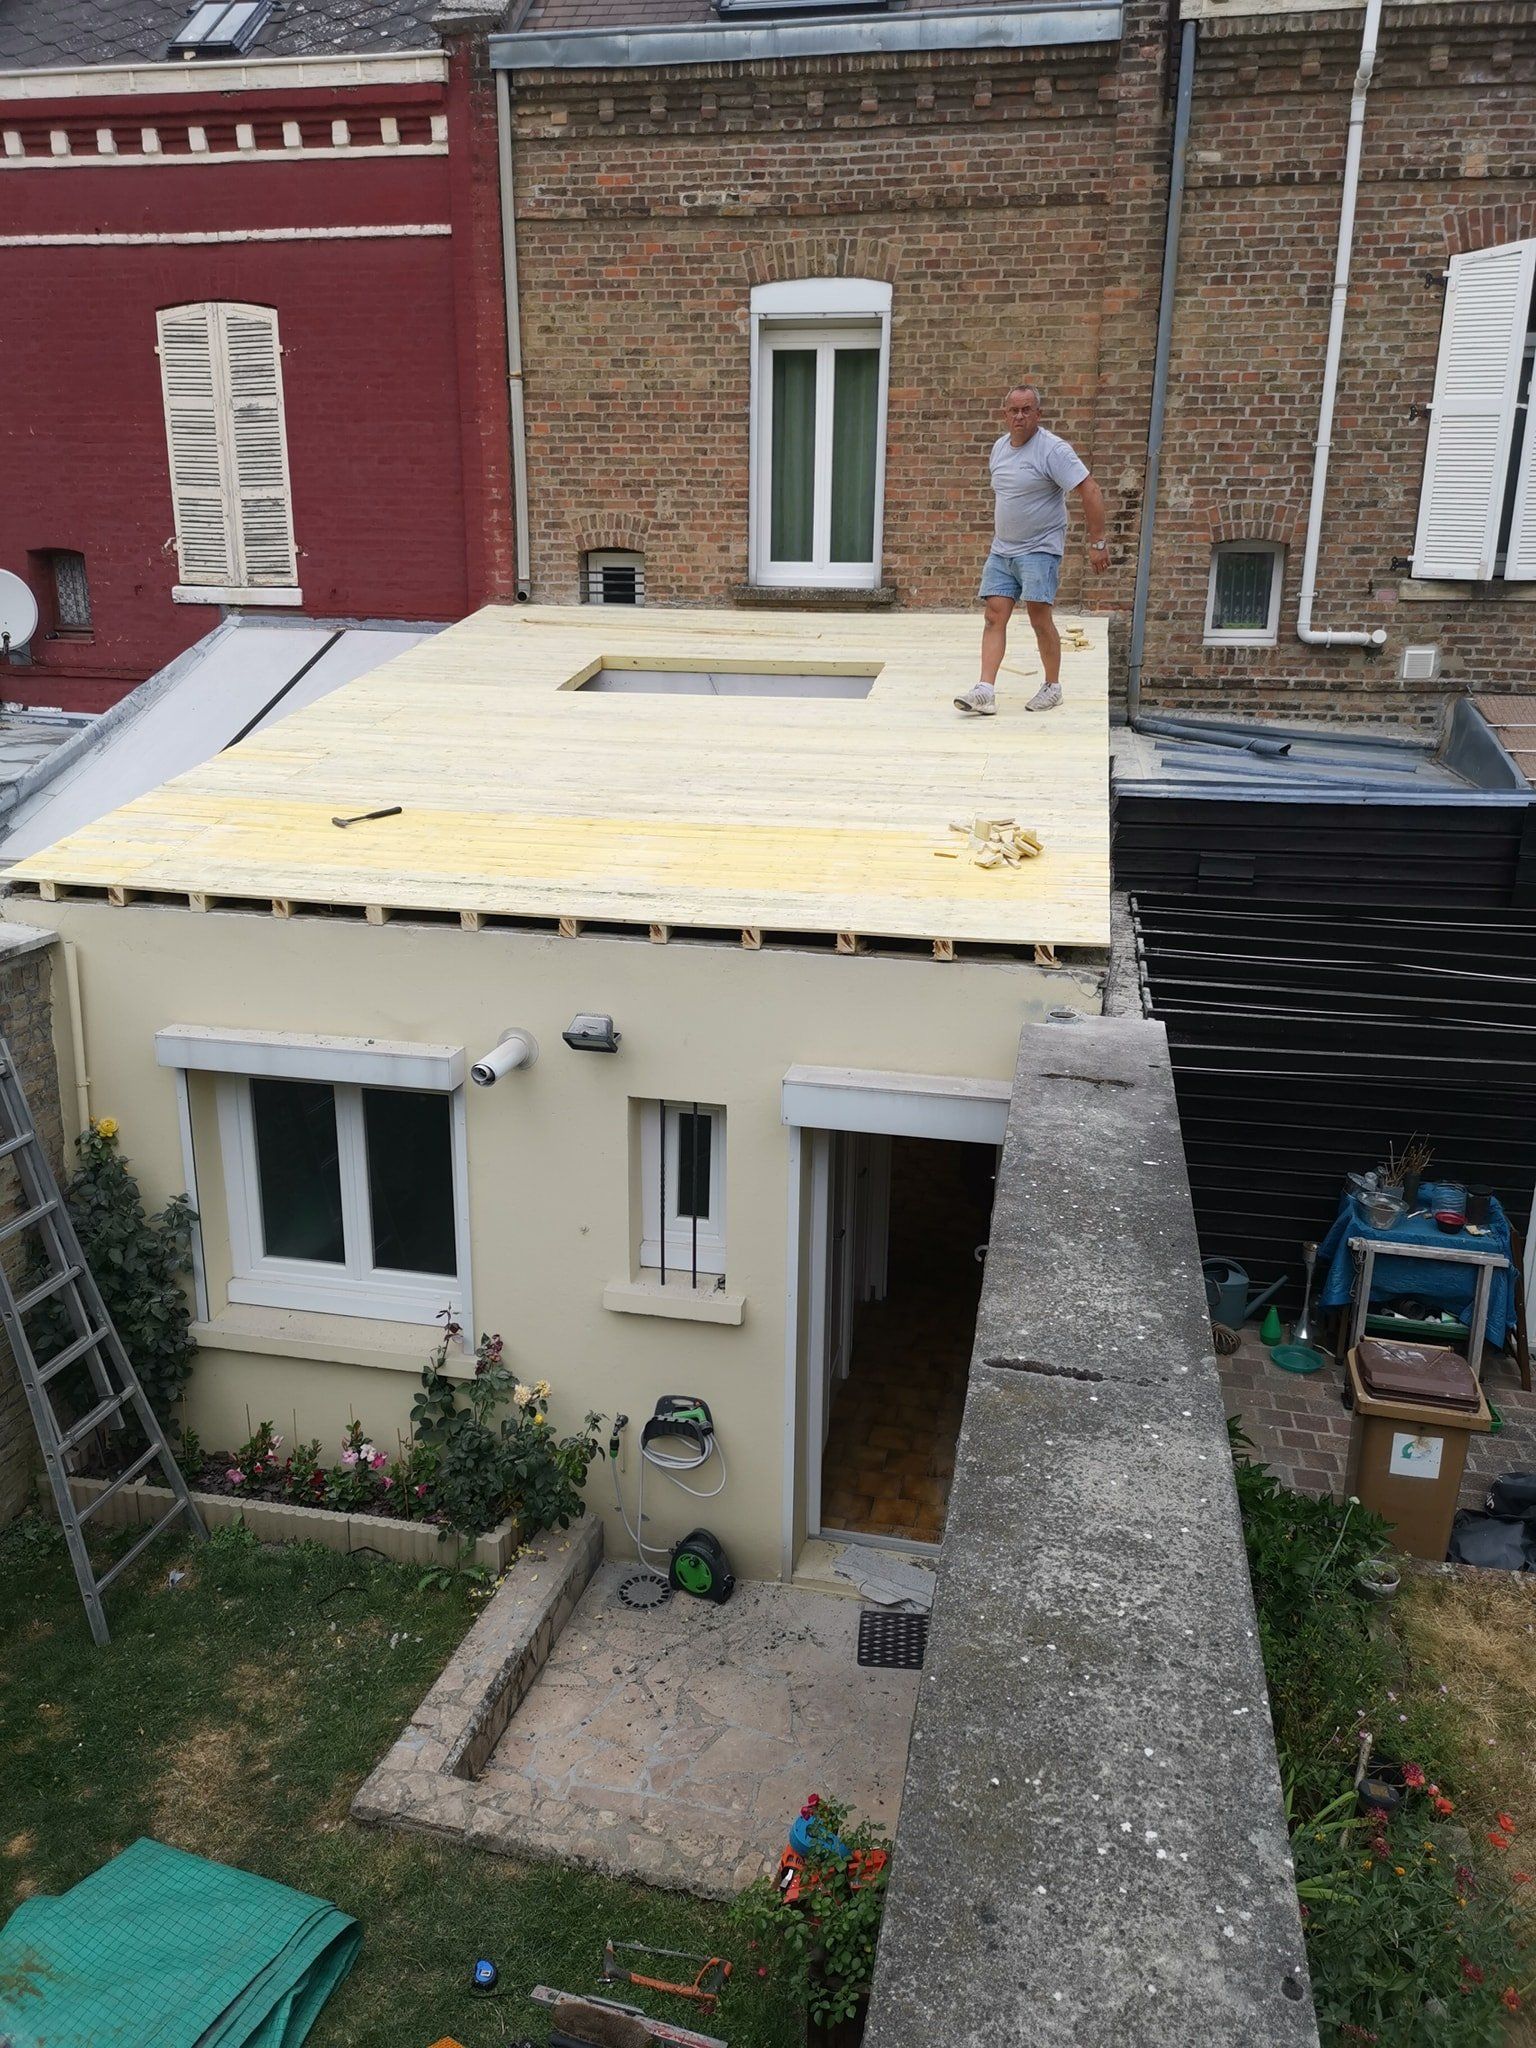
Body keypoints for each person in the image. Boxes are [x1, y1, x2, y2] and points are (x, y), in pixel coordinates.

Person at [954, 384, 1109, 716]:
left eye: (1027, 410)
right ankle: (985, 691)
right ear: (1005, 414)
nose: (1020, 416)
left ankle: (1052, 687)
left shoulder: (1053, 451)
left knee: (1040, 619)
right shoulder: (999, 448)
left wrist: (1097, 542)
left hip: (1040, 548)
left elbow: (1090, 490)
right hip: (1003, 550)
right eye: (1014, 410)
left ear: (1038, 414)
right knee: (994, 615)